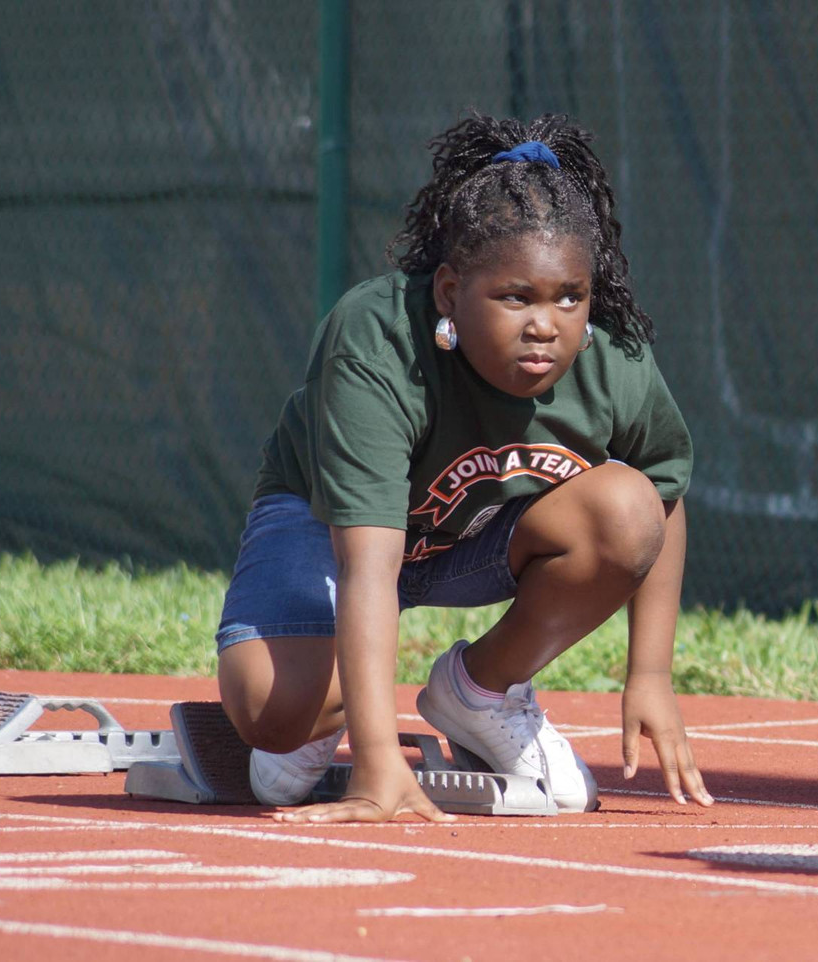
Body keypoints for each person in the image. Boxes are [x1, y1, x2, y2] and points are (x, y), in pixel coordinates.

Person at [213, 114, 713, 823]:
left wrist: (652, 674)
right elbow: (369, 568)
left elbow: (663, 493)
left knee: (625, 507)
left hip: (470, 536)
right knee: (271, 710)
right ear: (449, 293)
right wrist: (380, 770)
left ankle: (479, 692)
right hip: (332, 532)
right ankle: (325, 718)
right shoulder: (378, 342)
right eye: (516, 297)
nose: (547, 324)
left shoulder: (612, 361)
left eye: (569, 296)